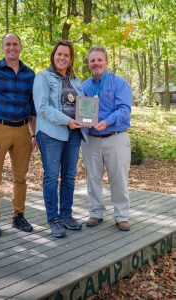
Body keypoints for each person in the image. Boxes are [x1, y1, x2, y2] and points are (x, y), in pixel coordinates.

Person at [0, 33, 37, 237]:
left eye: (15, 44)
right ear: (3, 47)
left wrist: (34, 134)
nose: (12, 47)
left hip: (22, 130)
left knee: (20, 177)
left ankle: (18, 216)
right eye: (8, 44)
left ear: (21, 47)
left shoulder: (30, 74)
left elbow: (32, 108)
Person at [33, 40, 87, 238]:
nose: (62, 58)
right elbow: (43, 108)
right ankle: (53, 219)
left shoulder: (76, 80)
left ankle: (66, 215)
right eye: (59, 54)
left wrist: (85, 119)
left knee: (69, 176)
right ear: (53, 55)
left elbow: (83, 105)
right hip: (50, 134)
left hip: (74, 134)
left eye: (66, 55)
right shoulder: (43, 77)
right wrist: (67, 121)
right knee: (51, 176)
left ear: (71, 58)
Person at [81, 46, 132, 231]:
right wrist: (83, 122)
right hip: (91, 139)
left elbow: (124, 110)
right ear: (88, 64)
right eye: (92, 60)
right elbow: (82, 111)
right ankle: (95, 213)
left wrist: (107, 122)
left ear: (106, 62)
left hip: (115, 137)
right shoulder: (84, 86)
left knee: (118, 178)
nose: (96, 63)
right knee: (92, 177)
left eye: (99, 60)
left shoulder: (119, 83)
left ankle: (122, 215)